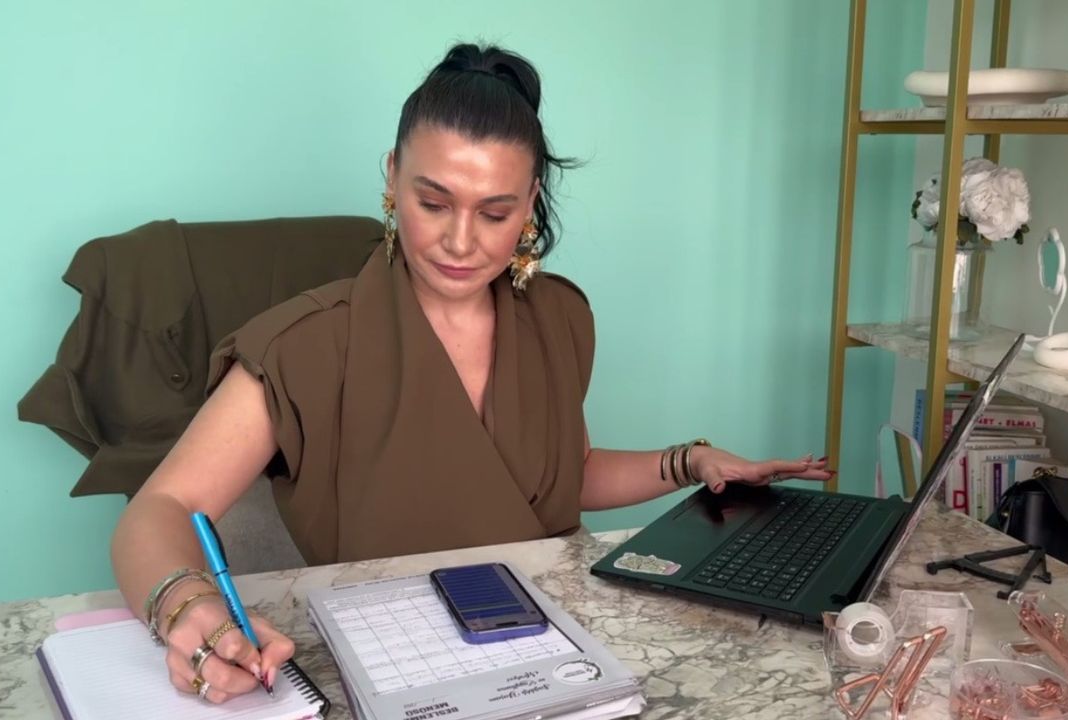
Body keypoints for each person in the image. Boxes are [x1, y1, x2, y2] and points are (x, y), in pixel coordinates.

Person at [109, 42, 833, 704]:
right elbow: (159, 508)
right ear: (391, 178)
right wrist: (190, 610)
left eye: (494, 213)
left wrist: (691, 461)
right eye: (433, 203)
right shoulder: (304, 346)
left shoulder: (559, 316)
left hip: (560, 653)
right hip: (398, 671)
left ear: (530, 205)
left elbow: (564, 475)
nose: (460, 241)